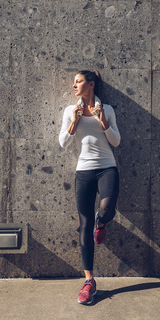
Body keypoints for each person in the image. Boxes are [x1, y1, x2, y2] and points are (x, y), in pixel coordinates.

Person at [59, 70, 120, 304]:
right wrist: (74, 120)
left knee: (105, 210)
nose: (74, 85)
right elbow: (63, 143)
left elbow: (116, 141)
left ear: (90, 84)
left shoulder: (108, 110)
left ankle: (102, 222)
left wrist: (102, 118)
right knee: (84, 223)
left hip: (107, 168)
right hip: (83, 171)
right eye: (74, 82)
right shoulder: (69, 111)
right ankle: (89, 281)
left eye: (78, 81)